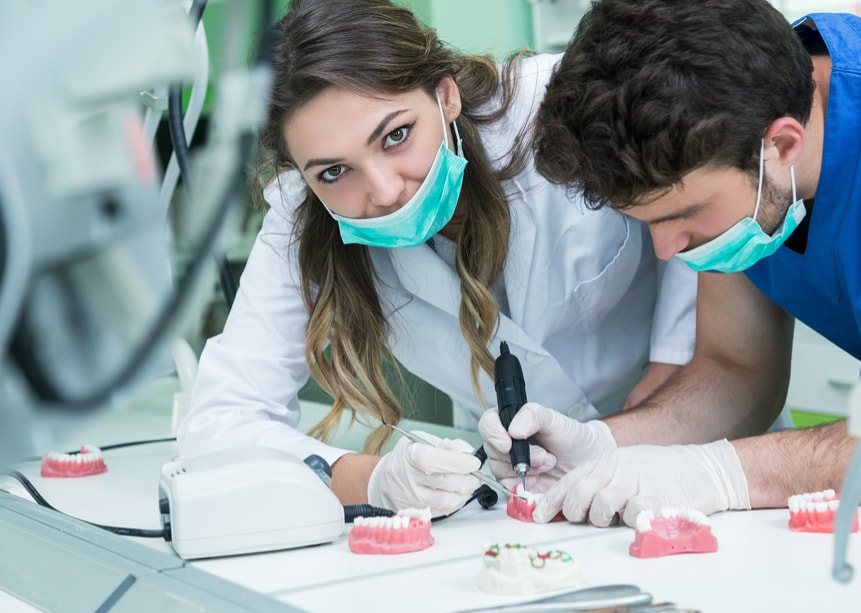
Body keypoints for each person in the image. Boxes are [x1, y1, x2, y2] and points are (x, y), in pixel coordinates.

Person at [176, 0, 697, 519]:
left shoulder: (569, 104)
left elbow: (701, 343)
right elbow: (218, 425)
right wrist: (372, 480)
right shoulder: (303, 213)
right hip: (520, 497)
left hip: (681, 464)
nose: (383, 191)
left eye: (396, 136)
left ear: (445, 95)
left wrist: (622, 444)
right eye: (334, 172)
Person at [478, 0, 861, 527]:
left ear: (782, 143)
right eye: (649, 223)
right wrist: (602, 443)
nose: (670, 250)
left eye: (687, 215)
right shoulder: (737, 130)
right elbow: (737, 371)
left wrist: (720, 472)